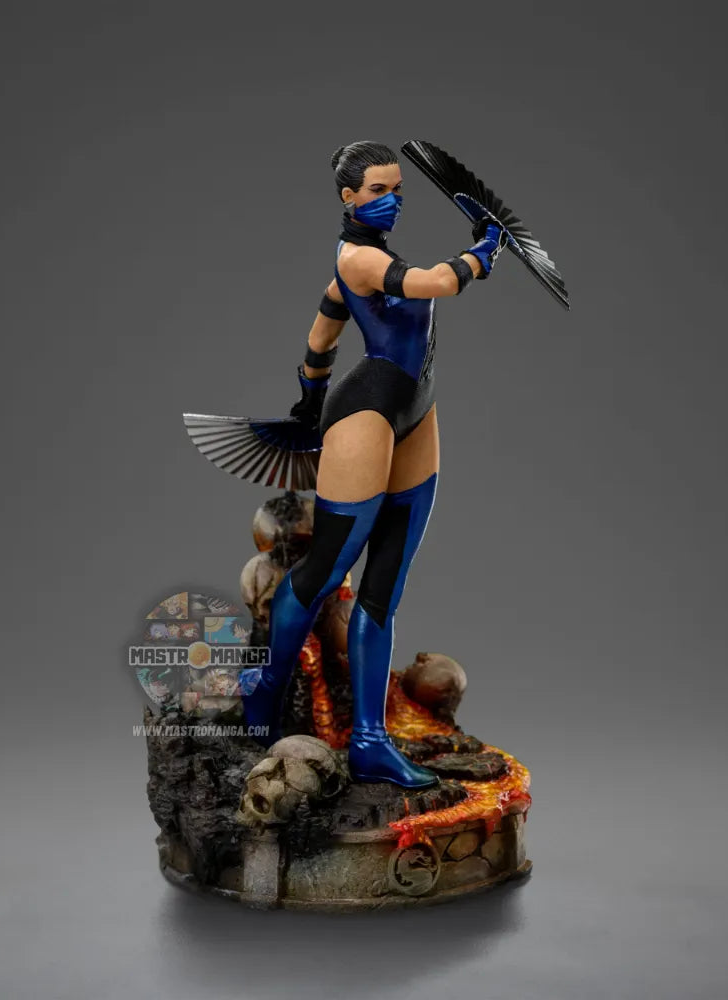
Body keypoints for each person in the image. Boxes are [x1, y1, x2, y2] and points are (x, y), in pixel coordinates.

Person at [241, 140, 507, 788]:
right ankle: (266, 688)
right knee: (327, 568)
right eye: (379, 190)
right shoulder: (360, 259)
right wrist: (485, 247)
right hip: (366, 413)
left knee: (385, 582)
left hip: (416, 410)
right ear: (349, 197)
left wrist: (308, 393)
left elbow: (321, 335)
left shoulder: (353, 270)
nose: (392, 201)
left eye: (398, 190)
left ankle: (369, 742)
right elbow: (436, 283)